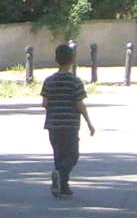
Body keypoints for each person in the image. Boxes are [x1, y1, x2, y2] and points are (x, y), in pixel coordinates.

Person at [39, 41, 96, 197]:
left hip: (53, 124)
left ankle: (62, 185)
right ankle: (62, 178)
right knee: (72, 155)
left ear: (56, 59)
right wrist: (89, 123)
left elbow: (45, 103)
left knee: (58, 154)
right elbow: (80, 104)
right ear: (72, 60)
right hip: (70, 124)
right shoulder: (75, 81)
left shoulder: (49, 81)